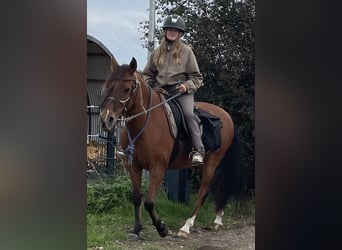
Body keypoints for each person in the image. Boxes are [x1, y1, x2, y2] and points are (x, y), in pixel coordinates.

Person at [142, 14, 204, 165]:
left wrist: (186, 86)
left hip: (180, 92)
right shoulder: (157, 52)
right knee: (140, 110)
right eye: (170, 29)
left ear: (180, 33)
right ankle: (128, 148)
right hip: (160, 91)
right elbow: (146, 74)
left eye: (175, 30)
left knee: (189, 115)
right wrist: (149, 84)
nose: (172, 32)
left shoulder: (187, 52)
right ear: (165, 31)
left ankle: (198, 151)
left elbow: (197, 77)